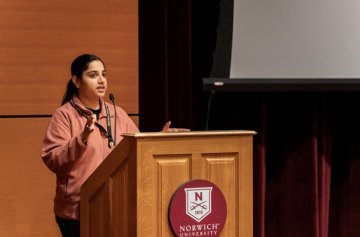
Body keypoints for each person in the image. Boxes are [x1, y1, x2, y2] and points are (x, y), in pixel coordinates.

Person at [41, 54, 185, 237]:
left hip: (115, 207)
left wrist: (159, 139)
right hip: (77, 212)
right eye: (93, 75)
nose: (101, 80)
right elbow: (53, 159)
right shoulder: (64, 116)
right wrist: (82, 138)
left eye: (104, 74)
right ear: (76, 81)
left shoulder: (117, 113)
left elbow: (136, 148)